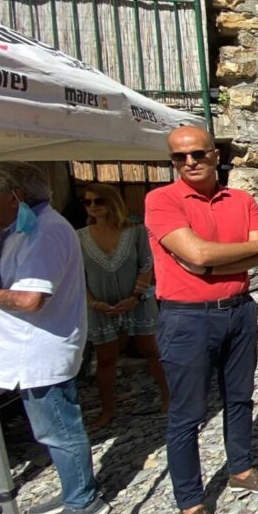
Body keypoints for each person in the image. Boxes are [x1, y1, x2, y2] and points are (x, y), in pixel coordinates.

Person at [145, 126, 258, 514]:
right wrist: (233, 255)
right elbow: (198, 253)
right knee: (187, 415)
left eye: (198, 154)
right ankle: (191, 503)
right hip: (187, 317)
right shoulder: (161, 200)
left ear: (214, 155)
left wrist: (209, 264)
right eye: (179, 157)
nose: (189, 162)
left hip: (239, 310)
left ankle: (240, 468)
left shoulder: (240, 199)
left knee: (239, 396)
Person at [0, 162, 107, 514]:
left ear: (13, 196)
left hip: (41, 350)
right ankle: (72, 489)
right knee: (51, 429)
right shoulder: (27, 229)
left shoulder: (44, 233)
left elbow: (31, 299)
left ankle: (82, 500)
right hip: (27, 351)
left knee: (59, 428)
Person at [78, 182, 169, 429]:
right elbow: (78, 274)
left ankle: (169, 398)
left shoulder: (136, 232)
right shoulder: (80, 237)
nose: (94, 207)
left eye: (99, 201)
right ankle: (108, 410)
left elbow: (146, 265)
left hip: (136, 299)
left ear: (112, 202)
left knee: (152, 351)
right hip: (100, 304)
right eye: (88, 202)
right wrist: (93, 302)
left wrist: (135, 297)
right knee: (105, 359)